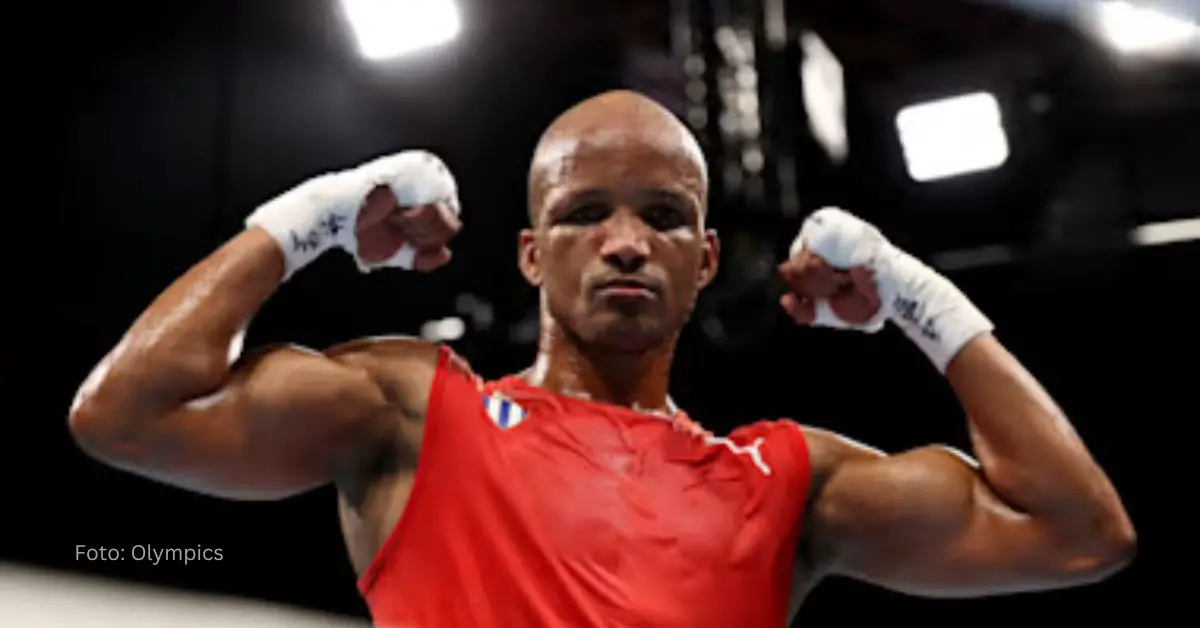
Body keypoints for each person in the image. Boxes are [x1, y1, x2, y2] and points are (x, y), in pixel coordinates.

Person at [68, 90, 1135, 627]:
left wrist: (916, 293)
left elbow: (1079, 532)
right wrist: (312, 216)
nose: (626, 240)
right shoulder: (410, 413)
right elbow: (126, 411)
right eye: (586, 213)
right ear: (532, 252)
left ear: (706, 257)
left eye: (664, 216)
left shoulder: (788, 482)